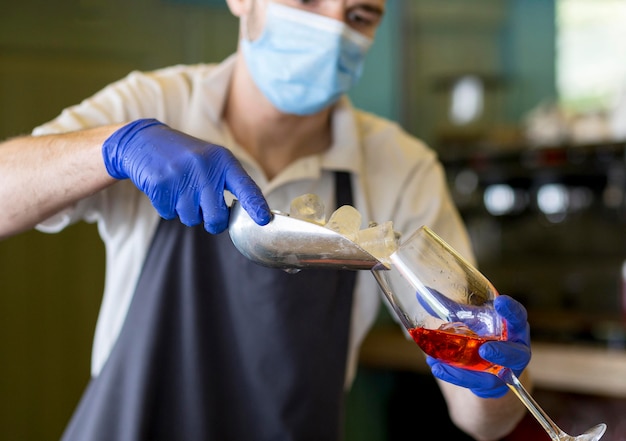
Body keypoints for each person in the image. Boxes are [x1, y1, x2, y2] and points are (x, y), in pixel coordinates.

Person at [0, 1, 532, 440]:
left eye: (360, 16)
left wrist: (494, 376)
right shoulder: (153, 100)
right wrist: (112, 148)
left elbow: (482, 421)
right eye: (306, 1)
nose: (330, 27)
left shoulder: (402, 170)